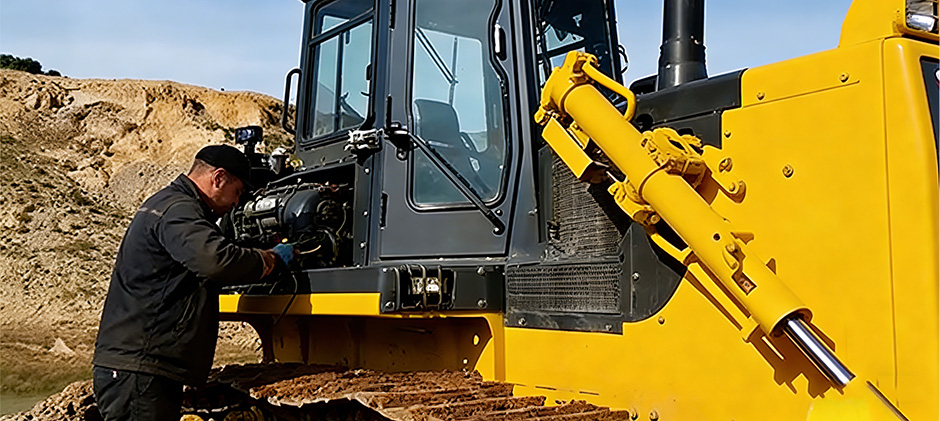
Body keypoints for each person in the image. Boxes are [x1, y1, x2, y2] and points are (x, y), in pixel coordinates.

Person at [92, 145, 294, 420]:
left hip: (141, 365)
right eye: (237, 192)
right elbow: (215, 261)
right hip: (141, 368)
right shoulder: (178, 210)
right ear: (219, 178)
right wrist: (268, 261)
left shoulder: (169, 205)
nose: (236, 203)